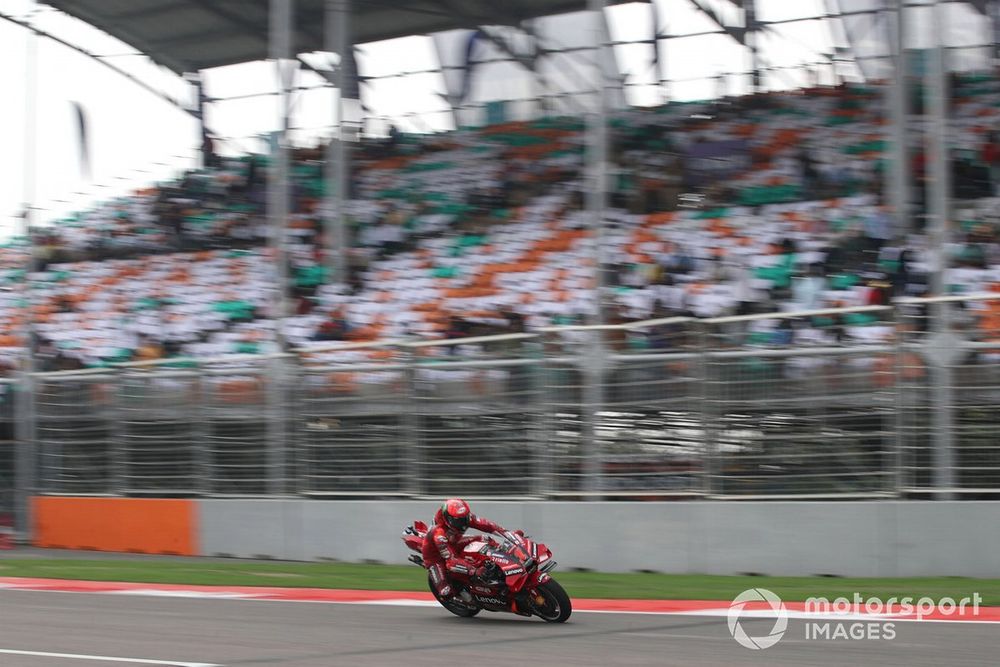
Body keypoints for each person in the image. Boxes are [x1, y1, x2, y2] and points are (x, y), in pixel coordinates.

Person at [421, 498, 509, 602]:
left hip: (454, 542)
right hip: (436, 556)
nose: (462, 524)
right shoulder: (439, 533)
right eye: (458, 521)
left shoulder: (464, 517)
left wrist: (507, 534)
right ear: (448, 519)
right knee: (445, 593)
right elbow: (451, 561)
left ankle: (502, 560)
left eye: (464, 519)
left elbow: (487, 525)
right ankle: (462, 597)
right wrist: (474, 571)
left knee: (485, 539)